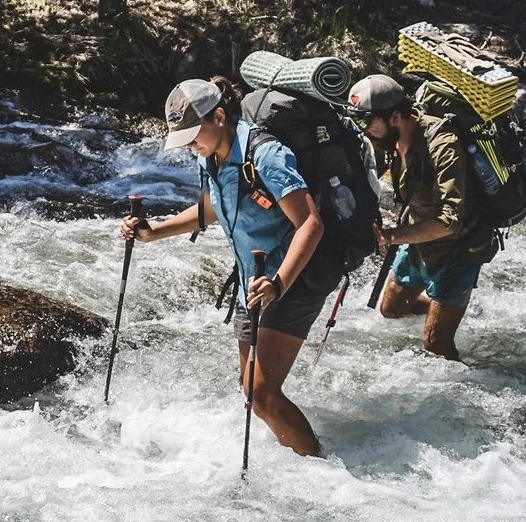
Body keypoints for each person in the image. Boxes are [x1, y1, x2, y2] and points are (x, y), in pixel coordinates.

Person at [121, 76, 332, 457]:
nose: (190, 147)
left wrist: (279, 284)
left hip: (291, 280)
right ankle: (294, 458)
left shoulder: (267, 156)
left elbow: (310, 224)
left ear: (219, 116)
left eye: (192, 136)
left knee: (261, 394)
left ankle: (324, 472)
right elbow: (211, 209)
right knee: (250, 389)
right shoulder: (211, 157)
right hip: (251, 282)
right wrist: (154, 233)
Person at [347, 74, 493, 361]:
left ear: (396, 117)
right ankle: (447, 310)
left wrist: (390, 237)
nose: (365, 132)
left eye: (368, 123)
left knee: (436, 344)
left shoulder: (443, 145)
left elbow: (450, 220)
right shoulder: (392, 140)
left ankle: (472, 373)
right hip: (418, 243)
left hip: (459, 249)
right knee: (391, 310)